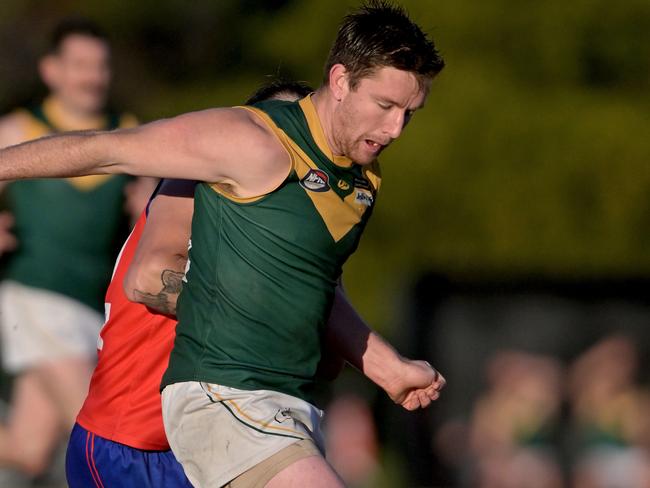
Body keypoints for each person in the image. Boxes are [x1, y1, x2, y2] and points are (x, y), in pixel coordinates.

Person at [0, 2, 446, 486]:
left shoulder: (357, 185)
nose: (395, 129)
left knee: (27, 445)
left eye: (409, 113)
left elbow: (318, 293)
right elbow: (113, 176)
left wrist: (387, 367)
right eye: (385, 107)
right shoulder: (225, 157)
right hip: (152, 428)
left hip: (276, 409)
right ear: (338, 83)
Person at [65, 80, 314, 488]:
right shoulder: (194, 185)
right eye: (274, 130)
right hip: (131, 443)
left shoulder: (304, 220)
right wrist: (265, 312)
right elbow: (147, 280)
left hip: (214, 441)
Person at [0, 18, 152, 477]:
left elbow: (155, 218)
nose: (92, 76)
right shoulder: (17, 130)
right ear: (51, 70)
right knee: (102, 429)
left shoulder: (128, 136)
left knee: (28, 450)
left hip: (92, 308)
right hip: (34, 300)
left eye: (100, 65)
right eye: (80, 64)